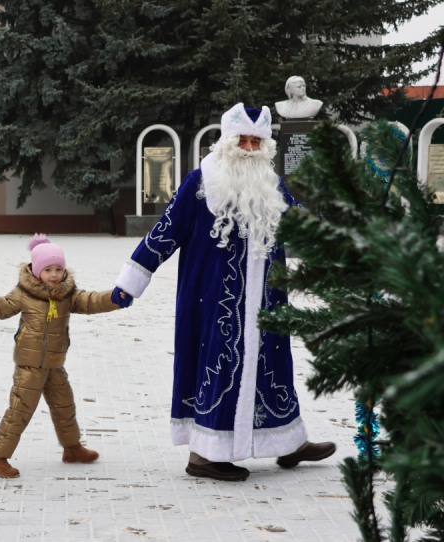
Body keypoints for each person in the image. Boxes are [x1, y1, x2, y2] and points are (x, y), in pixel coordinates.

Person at [114, 103, 335, 482]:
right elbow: (164, 233)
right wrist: (130, 282)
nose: (249, 148)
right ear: (227, 142)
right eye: (242, 140)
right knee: (218, 367)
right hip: (213, 302)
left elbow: (303, 226)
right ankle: (203, 456)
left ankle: (286, 442)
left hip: (267, 301)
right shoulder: (199, 183)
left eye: (256, 141)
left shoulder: (272, 185)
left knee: (274, 367)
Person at [0, 234, 128, 478]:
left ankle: (72, 449)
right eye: (48, 269)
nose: (54, 275)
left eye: (58, 269)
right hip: (29, 365)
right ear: (36, 271)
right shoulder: (24, 293)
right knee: (20, 410)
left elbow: (91, 301)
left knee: (64, 404)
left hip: (54, 362)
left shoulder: (68, 294)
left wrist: (115, 297)